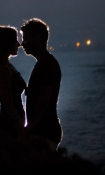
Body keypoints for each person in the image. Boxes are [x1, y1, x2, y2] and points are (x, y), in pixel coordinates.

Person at [21, 18, 62, 150]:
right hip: (43, 131)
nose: (22, 43)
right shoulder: (43, 64)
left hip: (44, 132)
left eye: (26, 39)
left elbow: (43, 103)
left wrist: (27, 129)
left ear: (37, 38)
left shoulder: (47, 65)